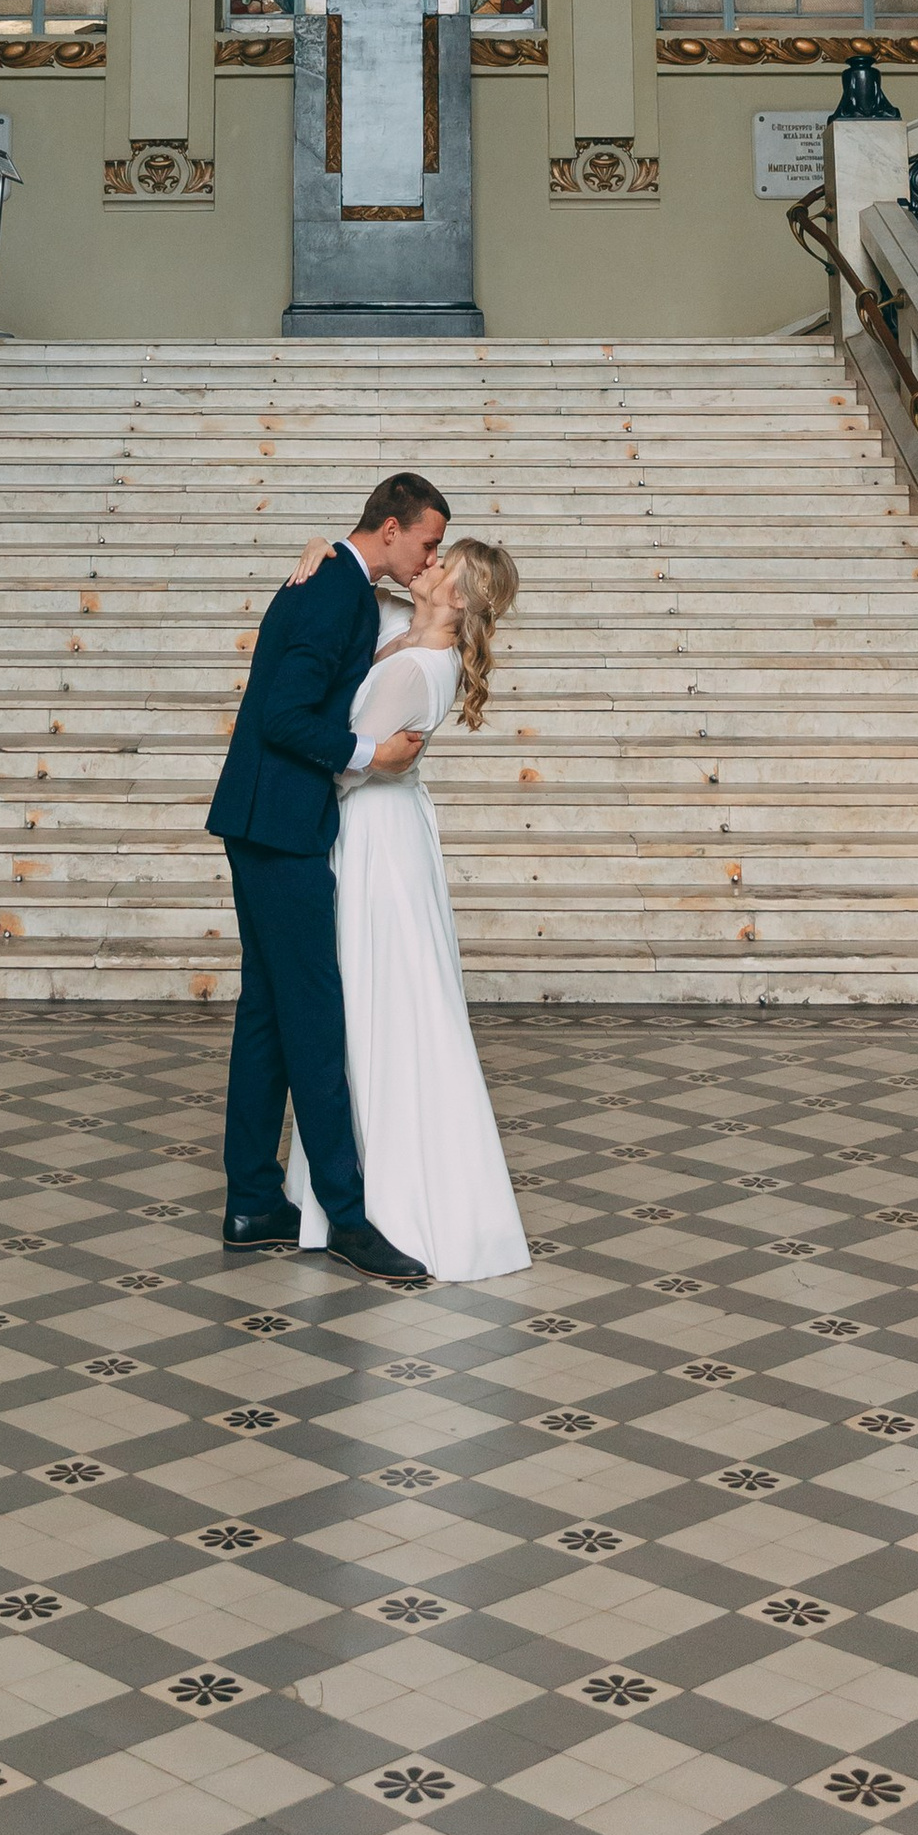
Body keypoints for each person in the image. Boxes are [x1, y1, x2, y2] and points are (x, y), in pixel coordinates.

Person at [207, 472, 448, 1283]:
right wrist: (370, 756)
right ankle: (348, 1217)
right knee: (312, 1018)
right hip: (280, 828)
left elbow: (368, 660)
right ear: (389, 527)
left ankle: (251, 1201)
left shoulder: (341, 580)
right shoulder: (332, 591)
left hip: (261, 820)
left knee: (269, 1015)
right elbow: (283, 716)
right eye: (427, 541)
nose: (431, 555)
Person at [283, 536, 530, 1285]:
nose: (426, 566)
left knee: (378, 1000)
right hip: (388, 834)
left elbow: (351, 767)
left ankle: (392, 1193)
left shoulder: (423, 665)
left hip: (377, 839)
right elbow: (373, 578)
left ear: (458, 599)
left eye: (442, 565)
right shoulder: (411, 629)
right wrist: (319, 553)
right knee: (373, 998)